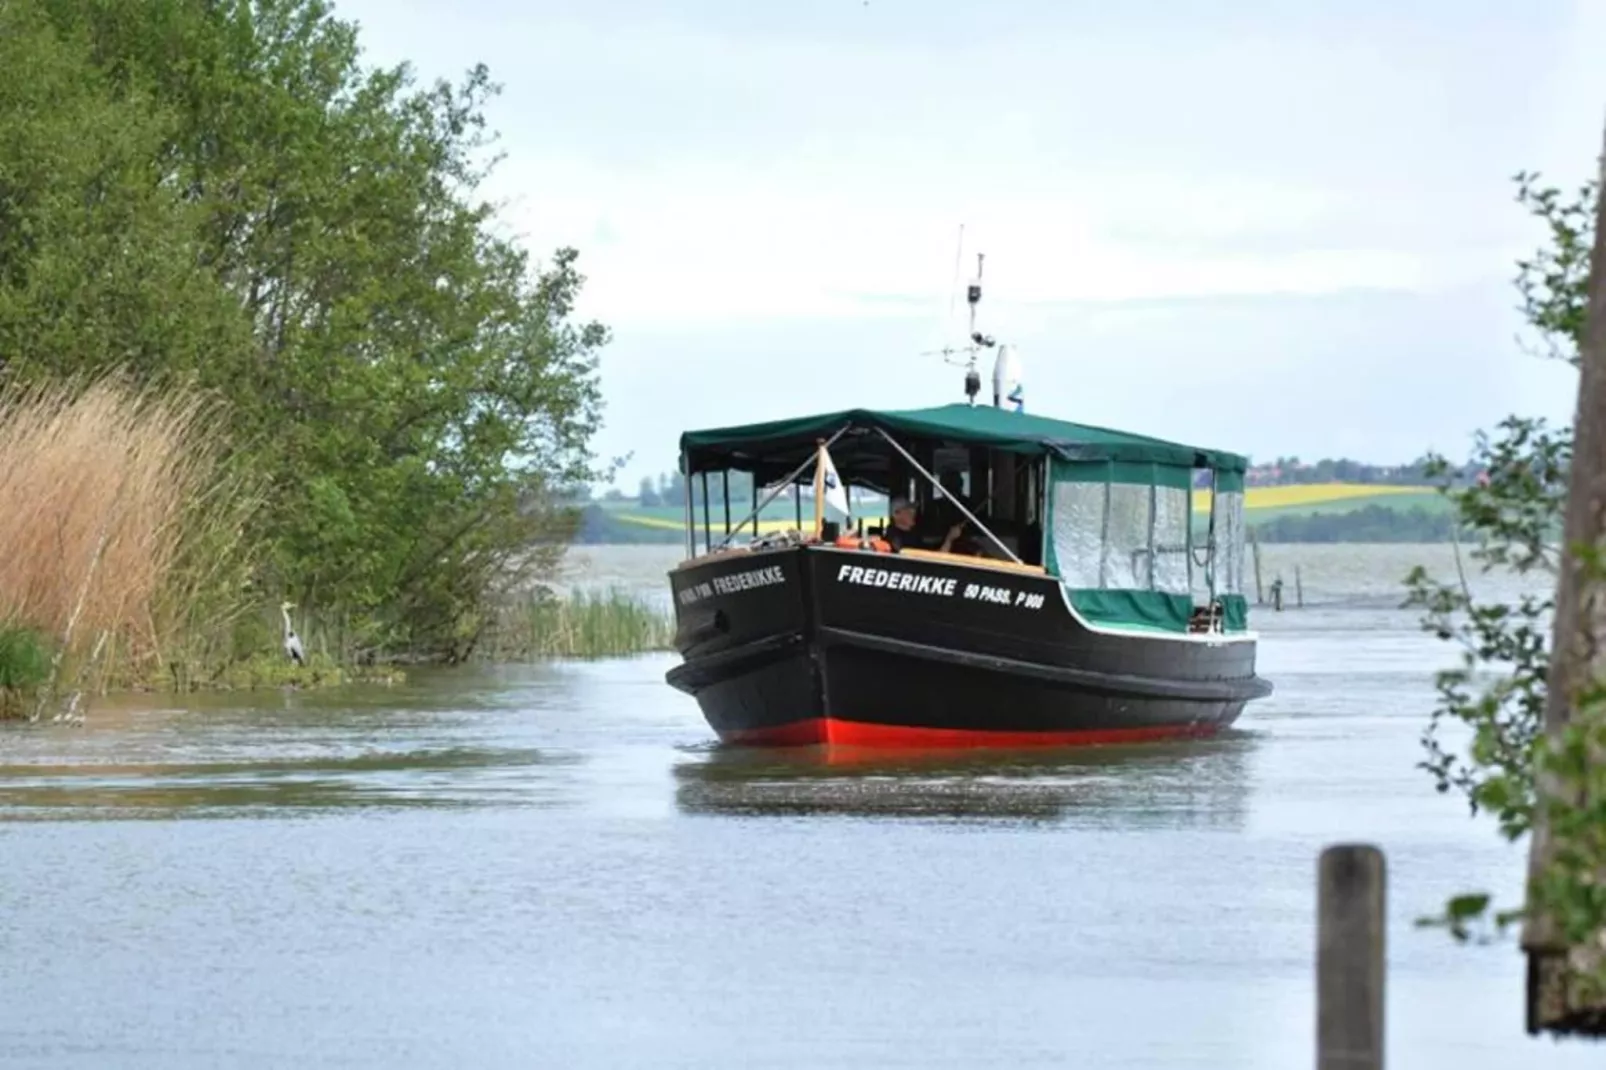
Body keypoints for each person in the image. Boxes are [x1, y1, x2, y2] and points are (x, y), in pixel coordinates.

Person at [884, 496, 964, 554]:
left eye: (913, 509)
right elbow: (934, 562)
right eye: (908, 509)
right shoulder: (895, 538)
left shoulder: (914, 533)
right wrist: (949, 539)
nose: (914, 512)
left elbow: (930, 542)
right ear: (896, 514)